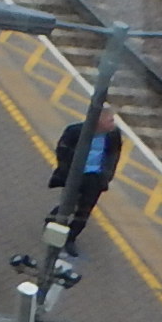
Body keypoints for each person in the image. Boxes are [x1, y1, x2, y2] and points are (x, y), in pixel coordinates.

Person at [49, 108, 125, 254]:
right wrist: (68, 172)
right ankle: (54, 222)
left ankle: (71, 237)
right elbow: (62, 152)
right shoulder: (74, 131)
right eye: (110, 121)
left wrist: (107, 175)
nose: (113, 124)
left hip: (95, 177)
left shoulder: (113, 135)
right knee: (68, 204)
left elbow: (114, 155)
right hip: (76, 175)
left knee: (84, 210)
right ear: (98, 122)